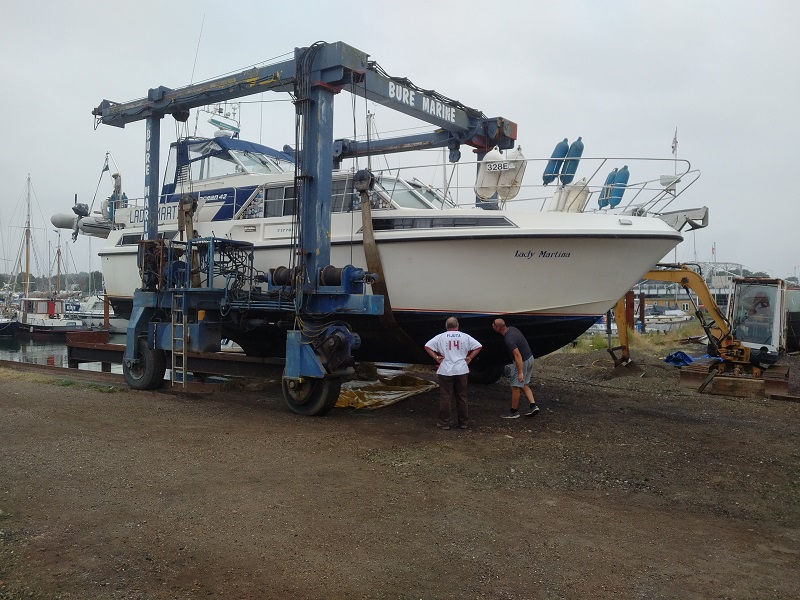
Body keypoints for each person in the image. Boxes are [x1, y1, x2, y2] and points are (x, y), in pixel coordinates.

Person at [424, 317, 482, 430]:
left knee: (445, 396)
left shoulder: (441, 337)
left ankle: (444, 423)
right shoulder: (465, 336)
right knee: (462, 396)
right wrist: (470, 357)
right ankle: (463, 422)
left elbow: (427, 346)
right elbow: (478, 346)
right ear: (458, 326)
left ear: (446, 326)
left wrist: (436, 357)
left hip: (446, 369)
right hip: (461, 369)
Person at [492, 318, 539, 419]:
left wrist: (520, 372)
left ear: (498, 328)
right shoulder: (513, 329)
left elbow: (518, 356)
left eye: (493, 325)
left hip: (522, 362)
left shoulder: (509, 340)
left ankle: (514, 411)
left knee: (515, 386)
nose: (492, 326)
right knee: (523, 384)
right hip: (530, 358)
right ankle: (533, 406)